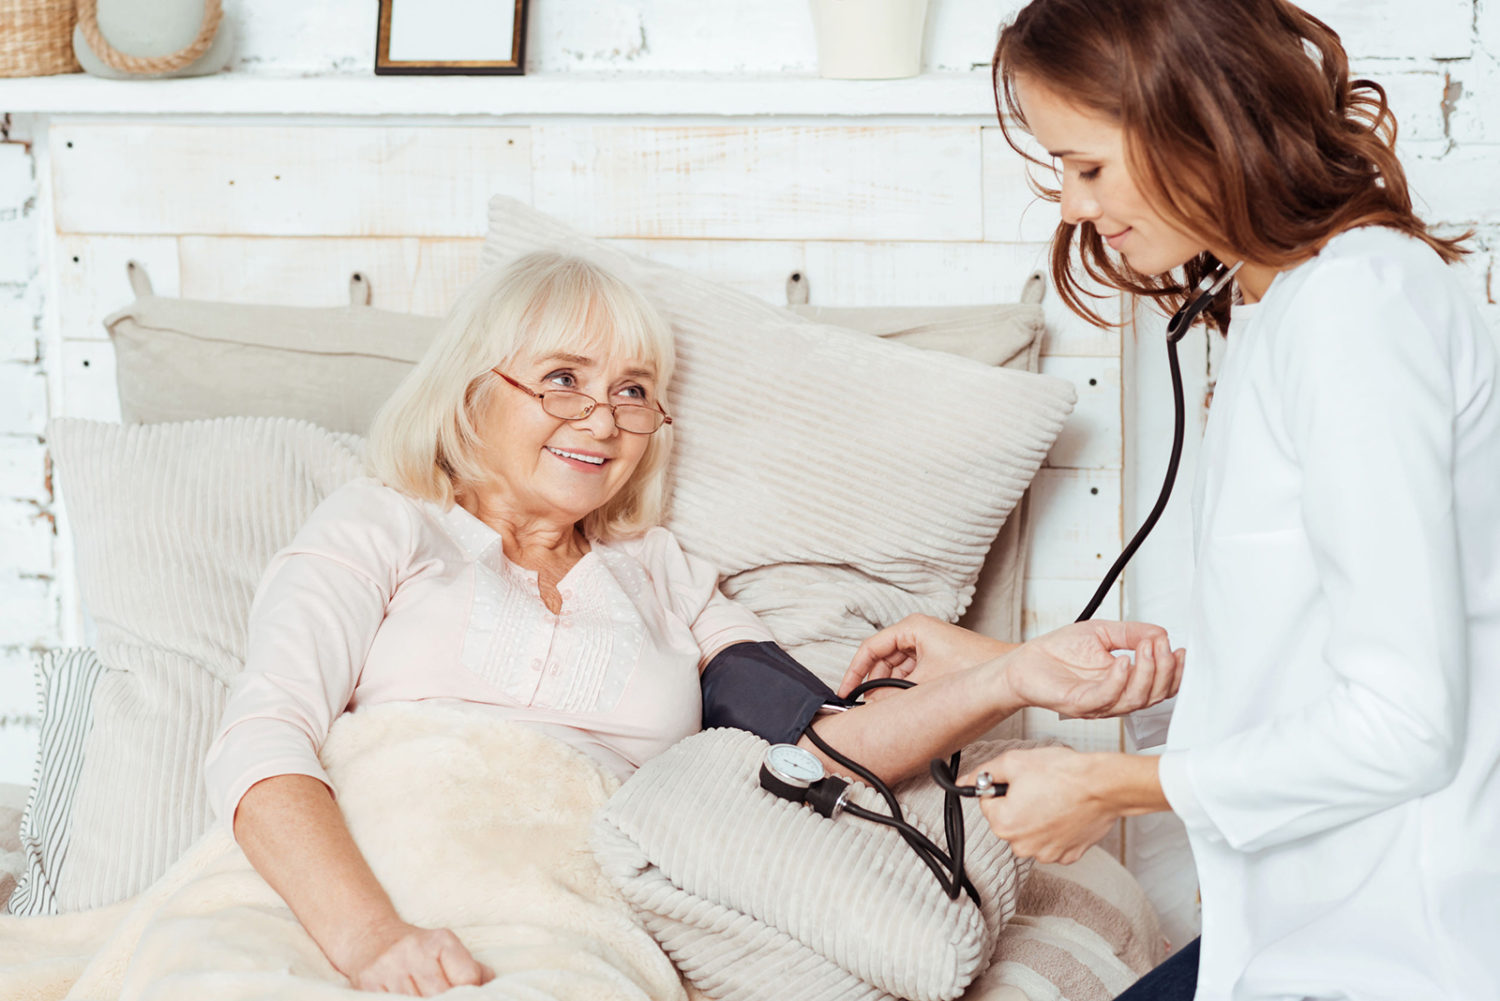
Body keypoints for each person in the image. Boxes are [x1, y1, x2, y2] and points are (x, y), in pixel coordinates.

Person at [204, 250, 1184, 998]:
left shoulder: (664, 576)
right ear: (471, 390)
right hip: (343, 897)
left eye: (633, 392)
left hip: (571, 923)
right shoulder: (380, 522)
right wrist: (372, 937)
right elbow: (263, 735)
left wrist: (1010, 677)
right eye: (562, 378)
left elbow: (818, 747)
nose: (601, 420)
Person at [842, 1, 1500, 998]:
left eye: (1089, 165)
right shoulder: (1289, 305)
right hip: (1297, 932)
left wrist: (1108, 787)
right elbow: (1335, 658)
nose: (1070, 204)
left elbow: (1404, 723)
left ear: (1200, 121)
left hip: (1394, 949)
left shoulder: (1358, 313)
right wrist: (1009, 668)